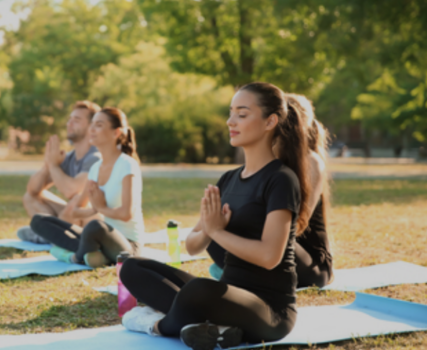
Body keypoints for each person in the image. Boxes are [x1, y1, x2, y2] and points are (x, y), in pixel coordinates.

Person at [119, 82, 311, 350]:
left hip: (268, 309)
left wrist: (219, 232)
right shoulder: (229, 179)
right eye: (231, 113)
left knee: (199, 291)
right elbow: (192, 245)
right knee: (133, 267)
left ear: (270, 122)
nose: (230, 121)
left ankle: (155, 325)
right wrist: (210, 228)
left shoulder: (281, 179)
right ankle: (216, 327)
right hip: (228, 293)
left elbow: (270, 257)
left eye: (242, 114)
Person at [207, 93, 333, 288]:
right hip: (270, 252)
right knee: (212, 232)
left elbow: (298, 226)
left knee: (235, 231)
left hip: (308, 263)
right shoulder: (266, 159)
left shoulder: (311, 161)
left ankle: (240, 273)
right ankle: (240, 273)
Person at [30, 107, 144, 268]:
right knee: (39, 221)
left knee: (95, 227)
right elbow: (76, 210)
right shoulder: (96, 168)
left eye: (98, 124)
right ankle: (95, 256)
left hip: (129, 246)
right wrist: (93, 210)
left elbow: (126, 214)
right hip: (99, 237)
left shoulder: (127, 165)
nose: (91, 129)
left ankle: (76, 257)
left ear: (116, 133)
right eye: (92, 124)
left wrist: (101, 207)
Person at [18, 101, 102, 243]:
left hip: (95, 219)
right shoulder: (68, 157)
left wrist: (53, 165)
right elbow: (32, 189)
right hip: (73, 219)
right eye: (69, 119)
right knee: (30, 197)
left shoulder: (95, 157)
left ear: (91, 127)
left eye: (76, 120)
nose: (69, 123)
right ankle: (51, 235)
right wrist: (47, 165)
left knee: (77, 200)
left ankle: (50, 236)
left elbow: (73, 190)